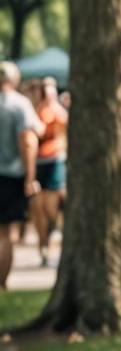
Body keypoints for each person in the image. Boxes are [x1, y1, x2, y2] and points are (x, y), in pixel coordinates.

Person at [0, 62, 43, 288]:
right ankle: (2, 283)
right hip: (10, 176)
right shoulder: (19, 104)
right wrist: (30, 177)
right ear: (14, 80)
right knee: (6, 233)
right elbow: (29, 140)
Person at [32, 76, 69, 265]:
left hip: (55, 162)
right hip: (39, 162)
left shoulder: (59, 112)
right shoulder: (36, 110)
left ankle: (51, 248)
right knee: (39, 210)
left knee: (51, 209)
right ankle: (43, 250)